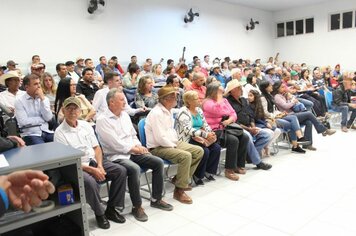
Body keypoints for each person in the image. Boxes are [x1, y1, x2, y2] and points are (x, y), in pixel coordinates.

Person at [96, 89, 173, 222]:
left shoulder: (125, 115)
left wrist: (139, 146)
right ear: (111, 102)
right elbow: (115, 144)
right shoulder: (103, 120)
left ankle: (156, 199)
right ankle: (137, 206)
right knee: (134, 169)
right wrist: (134, 149)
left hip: (132, 151)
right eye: (121, 99)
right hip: (116, 156)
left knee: (158, 162)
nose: (125, 101)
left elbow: (132, 135)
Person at [54, 97, 127, 229]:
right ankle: (100, 214)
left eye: (75, 108)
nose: (72, 111)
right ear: (63, 111)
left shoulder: (86, 125)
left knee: (120, 171)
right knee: (90, 182)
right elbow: (68, 161)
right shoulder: (59, 133)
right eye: (69, 108)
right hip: (76, 166)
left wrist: (99, 165)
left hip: (94, 161)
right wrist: (93, 170)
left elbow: (96, 148)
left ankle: (111, 208)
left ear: (80, 110)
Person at [145, 86, 204, 204]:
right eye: (174, 97)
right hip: (157, 147)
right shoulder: (156, 113)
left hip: (171, 143)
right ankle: (179, 191)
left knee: (198, 151)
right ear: (166, 100)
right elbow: (160, 138)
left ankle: (179, 179)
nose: (177, 98)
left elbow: (170, 132)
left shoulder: (169, 110)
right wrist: (173, 146)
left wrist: (175, 143)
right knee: (185, 156)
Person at [202, 82, 250, 180]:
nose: (222, 92)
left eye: (222, 91)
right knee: (233, 140)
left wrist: (229, 120)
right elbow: (218, 111)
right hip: (213, 130)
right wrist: (222, 103)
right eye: (219, 91)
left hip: (226, 128)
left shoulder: (224, 100)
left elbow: (233, 113)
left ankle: (238, 165)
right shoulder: (207, 102)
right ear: (213, 91)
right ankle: (229, 169)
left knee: (244, 136)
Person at [273, 80, 336, 150]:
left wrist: (291, 99)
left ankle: (308, 144)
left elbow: (290, 103)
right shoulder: (277, 97)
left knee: (308, 122)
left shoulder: (284, 95)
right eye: (282, 87)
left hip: (293, 114)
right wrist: (293, 102)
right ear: (277, 88)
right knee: (309, 113)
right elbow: (286, 106)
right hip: (287, 116)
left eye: (284, 87)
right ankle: (323, 130)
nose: (284, 88)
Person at [224, 80, 272, 170]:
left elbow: (250, 115)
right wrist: (249, 129)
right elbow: (233, 121)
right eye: (239, 88)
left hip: (249, 126)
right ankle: (258, 162)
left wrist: (253, 126)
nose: (241, 89)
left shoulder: (243, 100)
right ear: (233, 90)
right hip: (237, 128)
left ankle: (248, 155)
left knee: (266, 135)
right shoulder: (228, 102)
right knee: (248, 136)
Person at [175, 91, 221, 185]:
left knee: (216, 148)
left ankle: (208, 171)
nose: (199, 99)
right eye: (196, 98)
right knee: (205, 151)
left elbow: (205, 124)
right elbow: (188, 130)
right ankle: (197, 174)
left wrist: (210, 132)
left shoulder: (198, 110)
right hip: (187, 138)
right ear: (189, 101)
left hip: (201, 135)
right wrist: (204, 135)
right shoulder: (183, 112)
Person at [259, 80, 307, 153]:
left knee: (293, 118)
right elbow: (265, 112)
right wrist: (275, 115)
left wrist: (279, 113)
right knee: (291, 124)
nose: (272, 86)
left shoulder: (269, 95)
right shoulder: (263, 98)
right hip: (270, 119)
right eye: (270, 85)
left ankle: (298, 142)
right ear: (266, 88)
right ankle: (296, 145)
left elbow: (274, 109)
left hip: (275, 116)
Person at [15, 74, 54, 145]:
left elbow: (48, 118)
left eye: (39, 83)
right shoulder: (19, 101)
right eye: (35, 84)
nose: (39, 86)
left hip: (46, 131)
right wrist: (41, 119)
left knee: (61, 142)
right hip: (30, 134)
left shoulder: (44, 99)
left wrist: (42, 100)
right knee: (42, 149)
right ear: (27, 87)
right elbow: (23, 122)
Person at [247, 90, 282, 156]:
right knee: (270, 133)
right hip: (256, 124)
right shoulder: (248, 106)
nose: (249, 97)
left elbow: (262, 117)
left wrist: (266, 122)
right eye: (248, 95)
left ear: (256, 97)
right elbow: (253, 119)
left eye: (251, 96)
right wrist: (265, 124)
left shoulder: (259, 106)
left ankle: (266, 146)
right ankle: (262, 148)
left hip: (261, 123)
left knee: (278, 131)